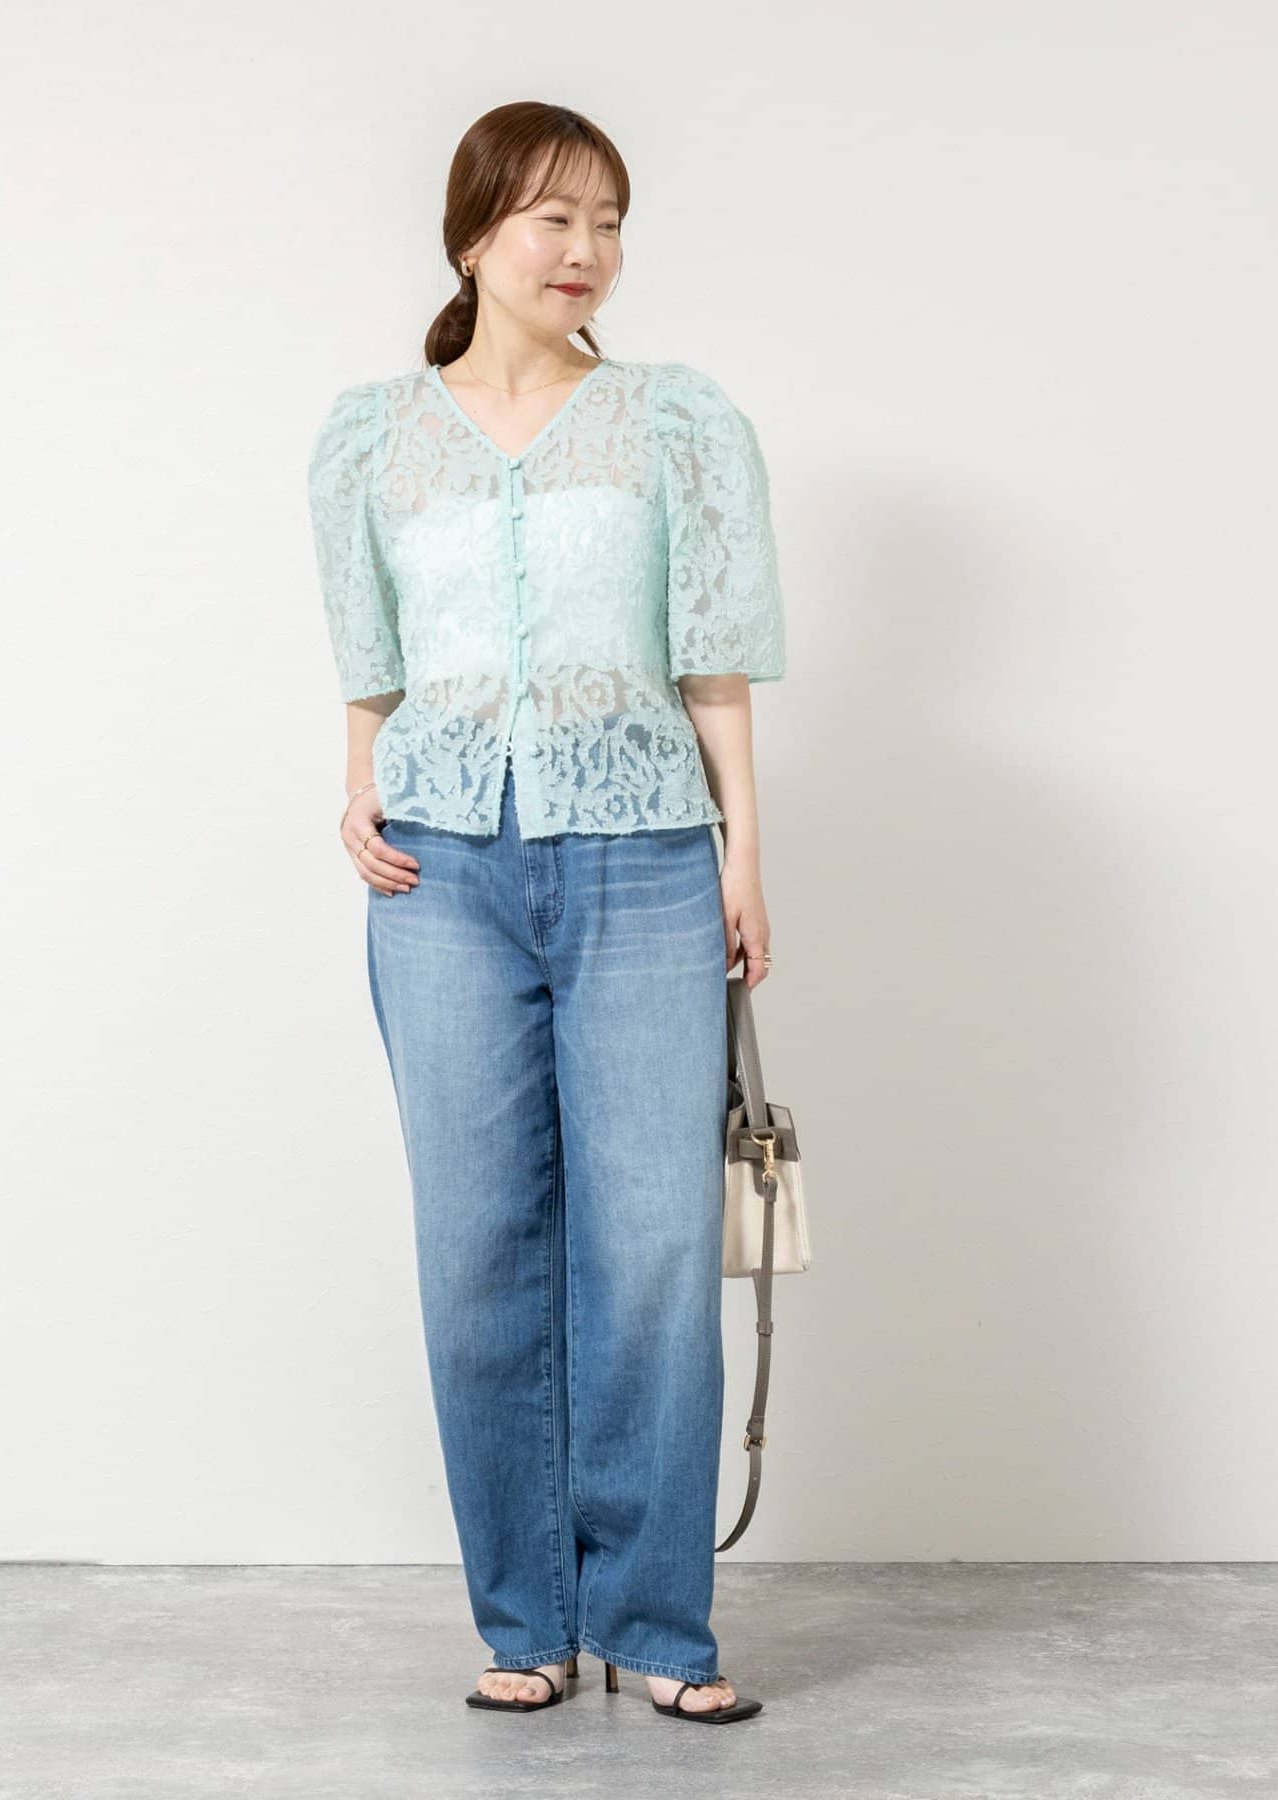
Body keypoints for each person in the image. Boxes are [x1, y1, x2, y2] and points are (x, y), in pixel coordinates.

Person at [307, 101, 785, 1725]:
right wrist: (356, 785)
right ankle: (528, 1622)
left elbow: (712, 654)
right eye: (553, 219)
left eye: (609, 221)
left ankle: (656, 1625)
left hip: (644, 854)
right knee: (476, 1252)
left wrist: (742, 849)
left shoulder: (672, 422)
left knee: (652, 1248)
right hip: (438, 874)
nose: (586, 251)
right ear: (475, 236)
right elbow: (371, 660)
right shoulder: (372, 440)